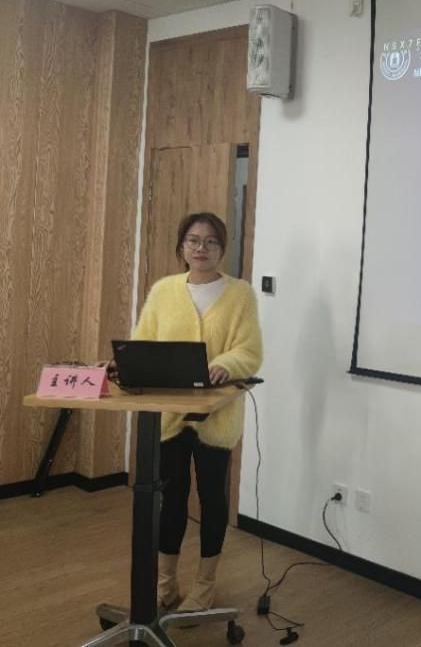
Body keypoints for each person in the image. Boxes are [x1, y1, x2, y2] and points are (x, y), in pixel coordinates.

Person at [131, 211, 262, 613]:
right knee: (170, 499)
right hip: (169, 415)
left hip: (216, 415)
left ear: (222, 248)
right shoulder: (163, 291)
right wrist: (124, 363)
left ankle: (204, 586)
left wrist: (226, 363)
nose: (201, 248)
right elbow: (142, 343)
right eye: (193, 240)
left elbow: (250, 350)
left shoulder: (240, 294)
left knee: (212, 498)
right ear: (182, 247)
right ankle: (166, 584)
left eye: (211, 241)